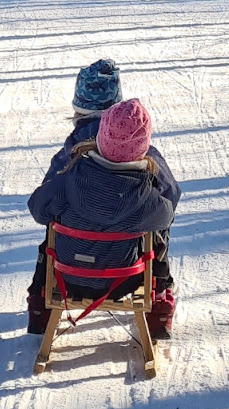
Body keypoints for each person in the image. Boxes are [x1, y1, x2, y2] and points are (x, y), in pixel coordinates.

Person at [27, 99, 180, 340]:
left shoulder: (67, 180)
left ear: (100, 136)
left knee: (53, 226)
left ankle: (40, 301)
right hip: (122, 282)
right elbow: (166, 216)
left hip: (66, 277)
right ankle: (160, 300)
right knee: (156, 234)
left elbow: (37, 209)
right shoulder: (146, 197)